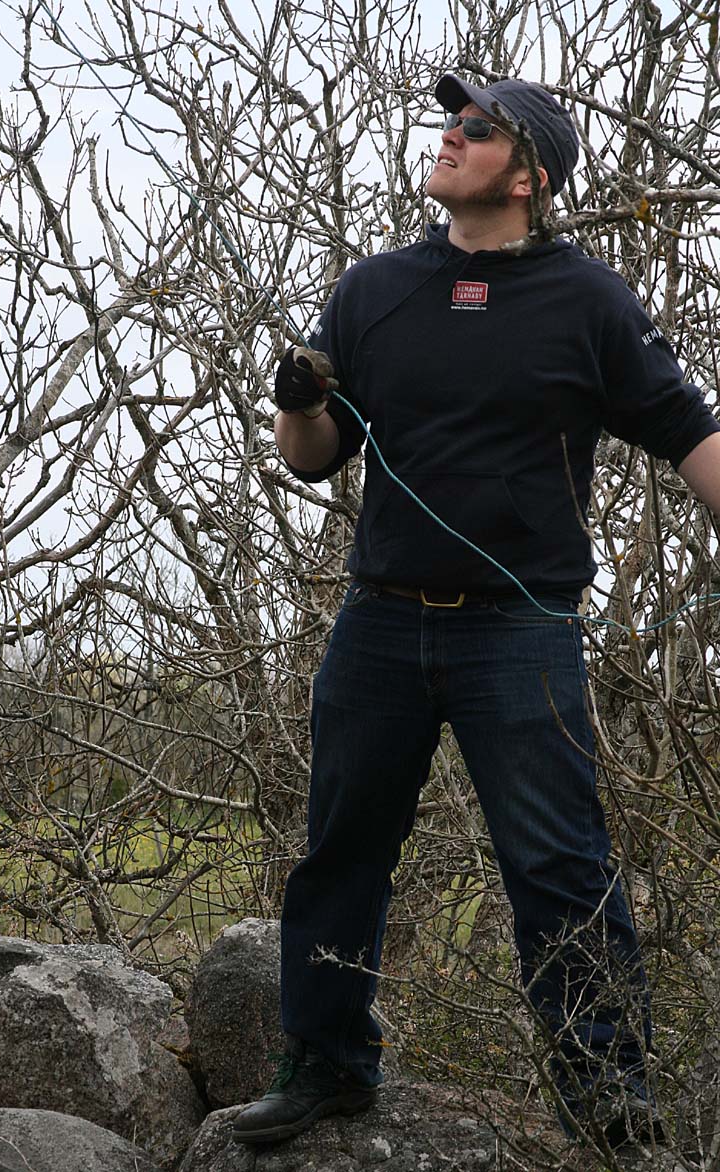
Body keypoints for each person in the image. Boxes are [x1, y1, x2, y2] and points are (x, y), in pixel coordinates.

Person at [232, 73, 720, 1149]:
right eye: (450, 122)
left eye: (477, 128)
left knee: (558, 864)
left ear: (529, 174)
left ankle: (605, 1090)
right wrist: (296, 404)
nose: (450, 137)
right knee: (340, 851)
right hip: (379, 622)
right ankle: (325, 1065)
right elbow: (312, 458)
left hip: (519, 629)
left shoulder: (588, 300)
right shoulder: (373, 290)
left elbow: (689, 431)